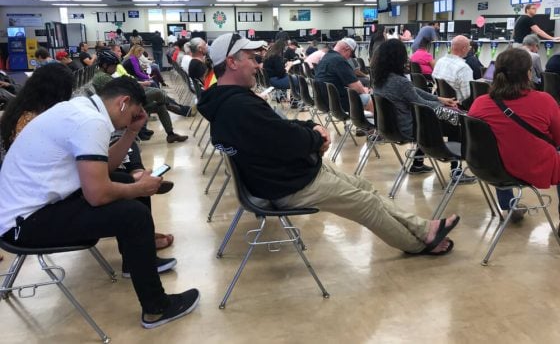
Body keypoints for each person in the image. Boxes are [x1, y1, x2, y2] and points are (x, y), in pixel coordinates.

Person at [197, 33, 459, 256]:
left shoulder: (230, 100)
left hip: (285, 174)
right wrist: (316, 138)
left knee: (365, 187)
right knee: (366, 203)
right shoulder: (239, 106)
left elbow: (279, 130)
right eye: (253, 59)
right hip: (288, 184)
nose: (258, 65)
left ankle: (425, 229)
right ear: (231, 62)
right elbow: (286, 141)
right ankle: (418, 244)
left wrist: (311, 128)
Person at [0, 77, 199, 328]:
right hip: (24, 224)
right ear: (123, 103)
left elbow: (105, 168)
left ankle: (134, 261)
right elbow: (97, 194)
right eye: (136, 114)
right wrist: (139, 187)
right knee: (133, 214)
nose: (137, 118)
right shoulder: (90, 121)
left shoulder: (83, 109)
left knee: (124, 180)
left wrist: (131, 132)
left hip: (35, 208)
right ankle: (156, 308)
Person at [469, 48, 560, 221]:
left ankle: (509, 205)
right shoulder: (544, 100)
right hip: (532, 167)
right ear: (528, 74)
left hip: (491, 168)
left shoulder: (479, 103)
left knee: (499, 146)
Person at [372, 39, 474, 182]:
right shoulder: (400, 82)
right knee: (452, 126)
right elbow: (421, 104)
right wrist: (445, 108)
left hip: (389, 127)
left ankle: (418, 164)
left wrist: (439, 99)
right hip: (406, 128)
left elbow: (413, 91)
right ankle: (456, 172)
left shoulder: (380, 79)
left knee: (427, 121)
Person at [94, 49, 189, 144]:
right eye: (114, 66)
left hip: (128, 102)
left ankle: (171, 134)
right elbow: (121, 90)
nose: (115, 69)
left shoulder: (104, 75)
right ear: (105, 65)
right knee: (158, 93)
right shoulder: (102, 77)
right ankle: (170, 105)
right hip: (126, 105)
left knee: (160, 106)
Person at [315, 38, 374, 113]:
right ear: (346, 49)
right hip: (337, 103)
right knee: (371, 99)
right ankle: (372, 124)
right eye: (351, 54)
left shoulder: (325, 57)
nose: (349, 58)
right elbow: (357, 88)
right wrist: (364, 90)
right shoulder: (339, 60)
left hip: (323, 101)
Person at [432, 35, 474, 106]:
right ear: (464, 49)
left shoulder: (440, 61)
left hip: (440, 104)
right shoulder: (464, 68)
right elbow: (468, 96)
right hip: (457, 107)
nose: (469, 50)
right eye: (469, 48)